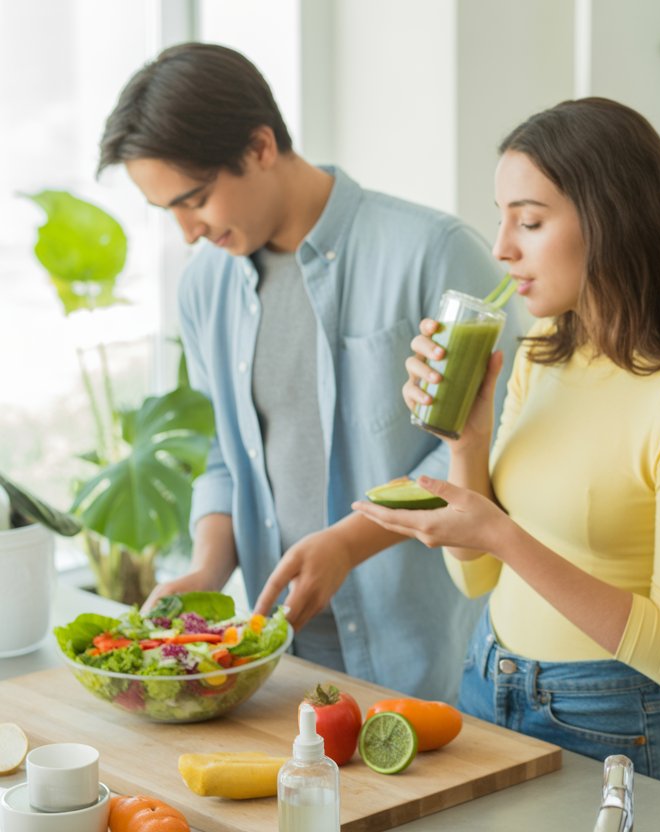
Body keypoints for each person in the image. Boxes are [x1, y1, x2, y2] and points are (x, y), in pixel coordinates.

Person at [353, 97, 660, 790]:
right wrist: (466, 441)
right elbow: (477, 578)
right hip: (487, 685)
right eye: (503, 216)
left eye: (531, 221)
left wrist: (504, 535)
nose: (502, 246)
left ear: (610, 221)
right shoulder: (544, 351)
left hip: (612, 726)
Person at [97, 42, 521, 702]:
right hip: (280, 663)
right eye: (169, 212)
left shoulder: (433, 254)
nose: (187, 231)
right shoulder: (205, 285)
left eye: (197, 199)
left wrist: (348, 544)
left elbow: (482, 450)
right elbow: (220, 453)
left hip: (427, 665)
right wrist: (210, 566)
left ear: (262, 146)